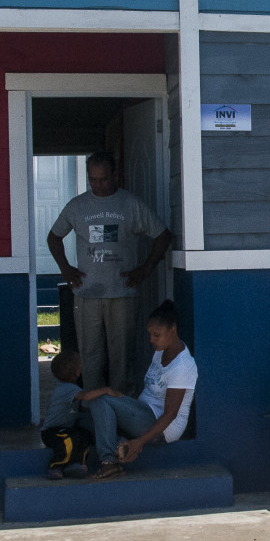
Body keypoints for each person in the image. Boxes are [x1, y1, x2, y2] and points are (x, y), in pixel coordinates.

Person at [47, 152, 172, 394]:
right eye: (92, 179)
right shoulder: (77, 205)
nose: (98, 185)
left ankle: (121, 407)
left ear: (115, 175)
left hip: (122, 292)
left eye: (103, 179)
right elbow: (53, 237)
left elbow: (162, 235)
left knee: (122, 357)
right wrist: (65, 268)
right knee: (90, 356)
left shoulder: (130, 204)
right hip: (86, 293)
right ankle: (95, 408)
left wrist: (146, 268)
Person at [79, 300, 196, 481]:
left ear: (173, 330)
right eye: (150, 334)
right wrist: (126, 404)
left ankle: (109, 462)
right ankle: (119, 445)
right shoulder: (160, 351)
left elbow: (171, 414)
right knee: (83, 420)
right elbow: (148, 388)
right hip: (142, 414)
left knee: (100, 400)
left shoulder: (183, 366)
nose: (151, 340)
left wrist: (139, 443)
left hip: (163, 428)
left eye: (157, 335)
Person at [39, 348, 94, 480]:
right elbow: (85, 396)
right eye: (80, 365)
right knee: (69, 439)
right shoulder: (66, 389)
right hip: (51, 432)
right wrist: (106, 391)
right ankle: (56, 466)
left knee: (85, 435)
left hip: (67, 428)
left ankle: (78, 463)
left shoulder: (72, 388)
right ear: (76, 372)